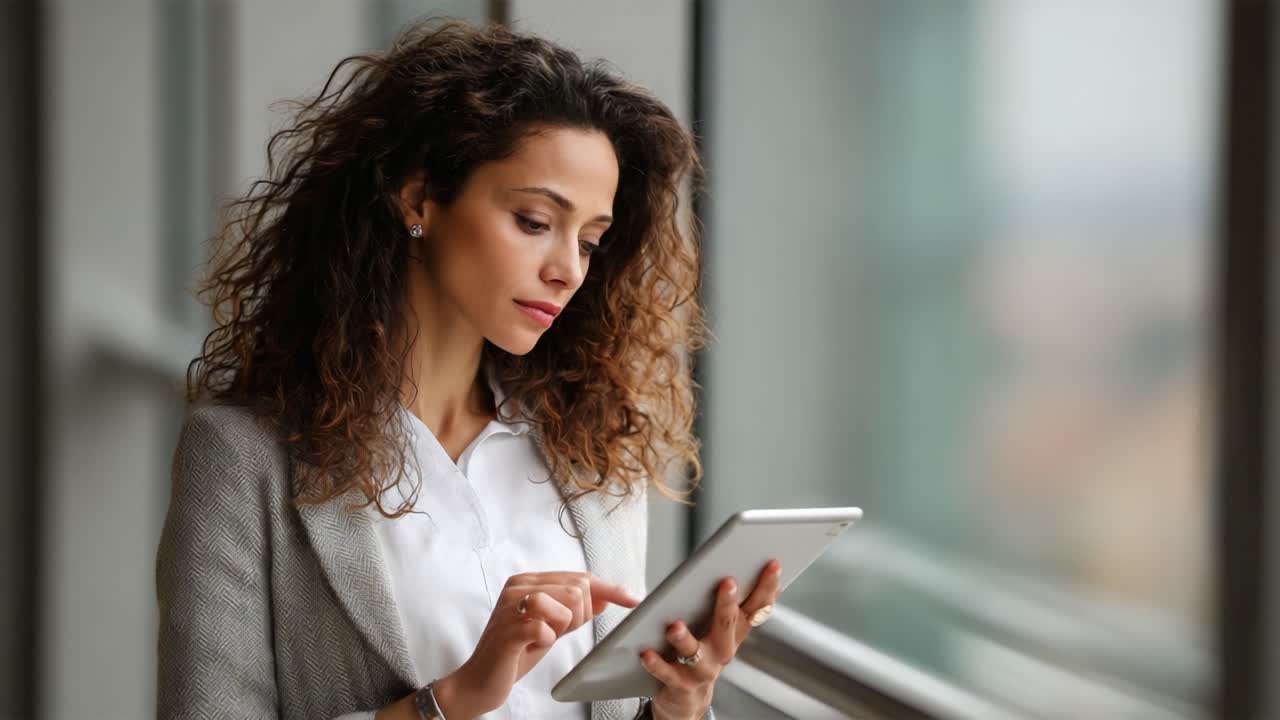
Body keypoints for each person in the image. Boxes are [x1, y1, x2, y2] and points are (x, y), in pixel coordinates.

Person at [155, 17, 782, 720]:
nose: (567, 269)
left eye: (591, 240)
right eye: (535, 221)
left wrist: (679, 705)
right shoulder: (244, 457)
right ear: (419, 198)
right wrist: (447, 703)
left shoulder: (592, 452)